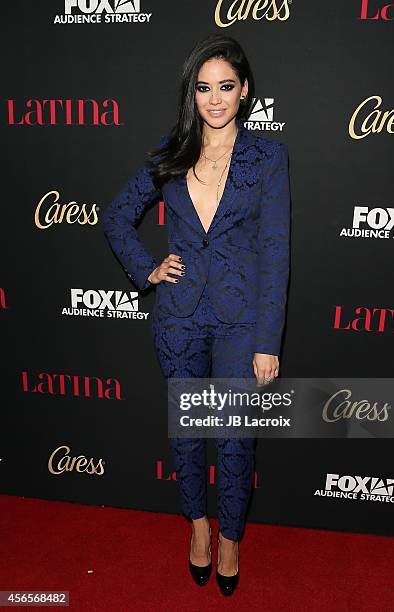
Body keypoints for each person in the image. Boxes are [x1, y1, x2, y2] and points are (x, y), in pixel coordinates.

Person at [102, 33, 290, 597]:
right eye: (204, 88)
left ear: (244, 91)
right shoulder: (171, 152)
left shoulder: (266, 155)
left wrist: (268, 340)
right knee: (188, 433)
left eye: (225, 87)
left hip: (240, 319)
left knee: (234, 437)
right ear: (193, 93)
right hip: (179, 317)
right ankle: (199, 528)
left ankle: (231, 535)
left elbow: (277, 249)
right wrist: (148, 269)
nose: (214, 98)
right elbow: (115, 218)